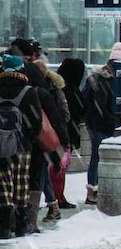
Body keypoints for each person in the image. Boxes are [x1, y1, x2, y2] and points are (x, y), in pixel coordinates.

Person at [11, 38, 66, 231]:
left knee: (13, 179)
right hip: (34, 143)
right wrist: (62, 142)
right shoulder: (37, 91)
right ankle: (28, 221)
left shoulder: (10, 87)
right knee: (33, 178)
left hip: (14, 141)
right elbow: (54, 117)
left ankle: (13, 220)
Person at [0, 53, 43, 238]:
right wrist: (28, 138)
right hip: (22, 144)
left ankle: (3, 225)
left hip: (1, 144)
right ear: (20, 70)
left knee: (4, 183)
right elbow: (36, 121)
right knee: (21, 182)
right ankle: (20, 224)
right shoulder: (28, 91)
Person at [33, 51, 78, 222]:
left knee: (44, 170)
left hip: (44, 136)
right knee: (46, 169)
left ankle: (51, 204)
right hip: (49, 135)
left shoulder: (44, 89)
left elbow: (61, 115)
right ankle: (53, 203)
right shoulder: (51, 87)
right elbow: (63, 115)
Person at [80, 44, 121, 204]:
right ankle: (99, 190)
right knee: (102, 157)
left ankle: (93, 191)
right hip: (107, 122)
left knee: (97, 156)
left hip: (96, 123)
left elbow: (85, 100)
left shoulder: (96, 77)